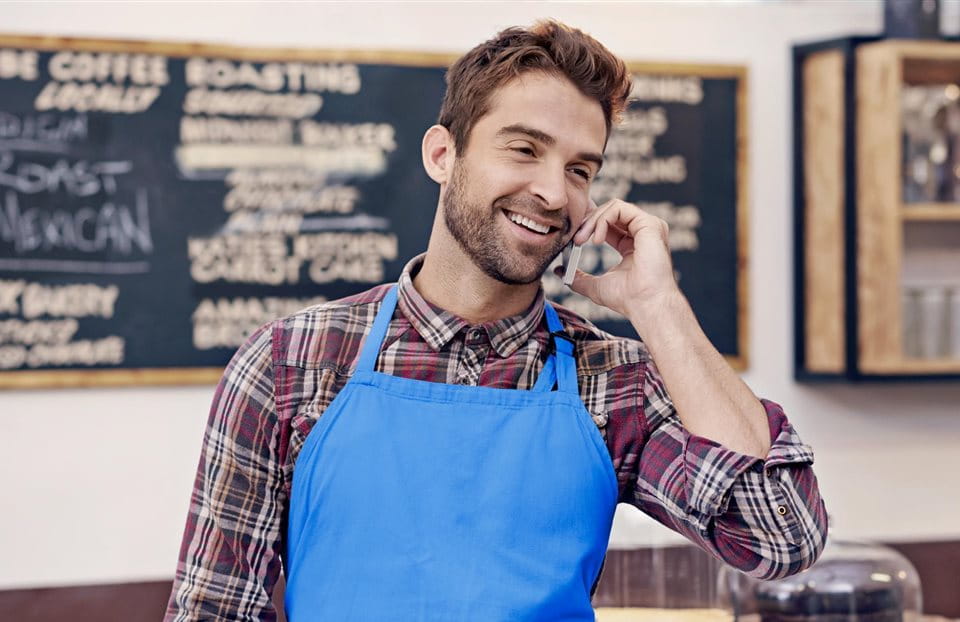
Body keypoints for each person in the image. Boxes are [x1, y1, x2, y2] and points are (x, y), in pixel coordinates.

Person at [165, 20, 827, 621]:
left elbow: (781, 538)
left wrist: (661, 308)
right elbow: (214, 609)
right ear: (442, 155)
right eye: (524, 149)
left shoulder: (613, 381)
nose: (552, 192)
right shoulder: (289, 361)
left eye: (579, 170)